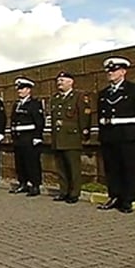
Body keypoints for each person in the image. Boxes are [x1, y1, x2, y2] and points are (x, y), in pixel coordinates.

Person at [97, 57, 135, 214]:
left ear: (123, 71)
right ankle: (114, 196)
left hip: (128, 135)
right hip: (109, 135)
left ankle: (127, 200)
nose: (110, 73)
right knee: (111, 168)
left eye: (113, 70)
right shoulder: (103, 93)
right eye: (108, 71)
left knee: (128, 168)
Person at [50, 71, 92, 204]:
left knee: (73, 167)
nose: (59, 82)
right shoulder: (55, 98)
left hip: (72, 137)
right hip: (58, 138)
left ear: (70, 82)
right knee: (61, 167)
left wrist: (84, 133)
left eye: (62, 80)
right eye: (58, 80)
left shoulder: (79, 96)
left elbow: (84, 116)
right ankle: (64, 191)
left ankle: (74, 193)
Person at [8, 77, 45, 197]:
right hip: (19, 138)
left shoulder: (34, 104)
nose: (19, 91)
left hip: (29, 138)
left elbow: (39, 121)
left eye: (22, 88)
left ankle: (35, 185)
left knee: (32, 162)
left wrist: (37, 136)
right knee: (20, 163)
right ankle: (23, 183)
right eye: (18, 89)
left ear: (28, 90)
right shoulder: (17, 105)